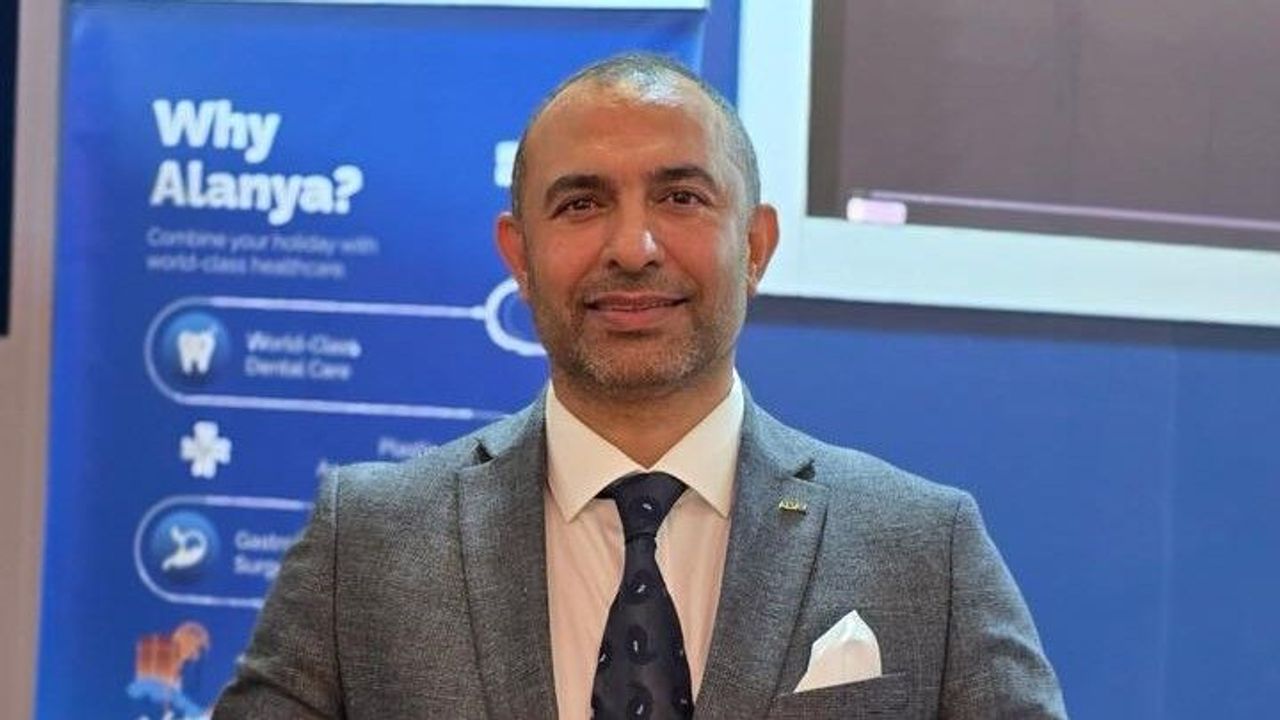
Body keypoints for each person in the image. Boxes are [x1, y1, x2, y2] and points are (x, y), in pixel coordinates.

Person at [213, 53, 1066, 719]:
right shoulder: (365, 543)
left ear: (756, 246)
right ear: (519, 255)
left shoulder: (925, 547)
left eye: (682, 198)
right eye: (581, 205)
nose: (633, 248)